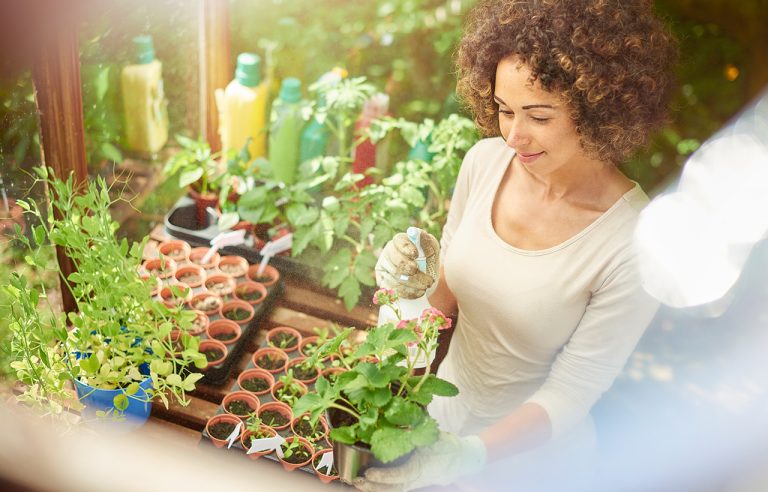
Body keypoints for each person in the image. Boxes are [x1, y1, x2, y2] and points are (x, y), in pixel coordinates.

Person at [367, 0, 677, 490]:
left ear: (598, 108)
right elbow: (444, 300)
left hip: (529, 465)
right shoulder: (484, 163)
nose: (513, 135)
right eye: (504, 110)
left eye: (538, 116)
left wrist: (468, 457)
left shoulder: (633, 242)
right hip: (439, 422)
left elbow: (572, 394)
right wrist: (406, 293)